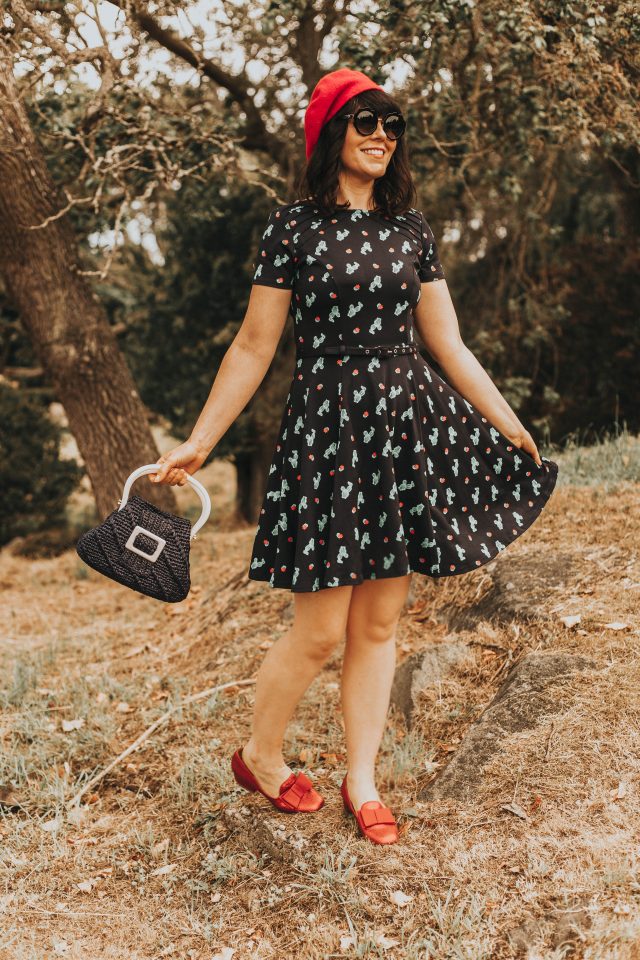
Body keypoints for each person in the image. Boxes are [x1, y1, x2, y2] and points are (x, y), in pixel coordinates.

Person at [149, 67, 559, 845]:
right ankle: (259, 756)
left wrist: (506, 419)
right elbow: (253, 344)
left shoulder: (411, 230)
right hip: (328, 438)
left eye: (392, 123)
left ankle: (361, 777)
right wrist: (203, 439)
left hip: (400, 436)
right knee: (317, 631)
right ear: (330, 133)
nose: (380, 134)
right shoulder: (293, 227)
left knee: (378, 625)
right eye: (364, 119)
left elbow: (449, 342)